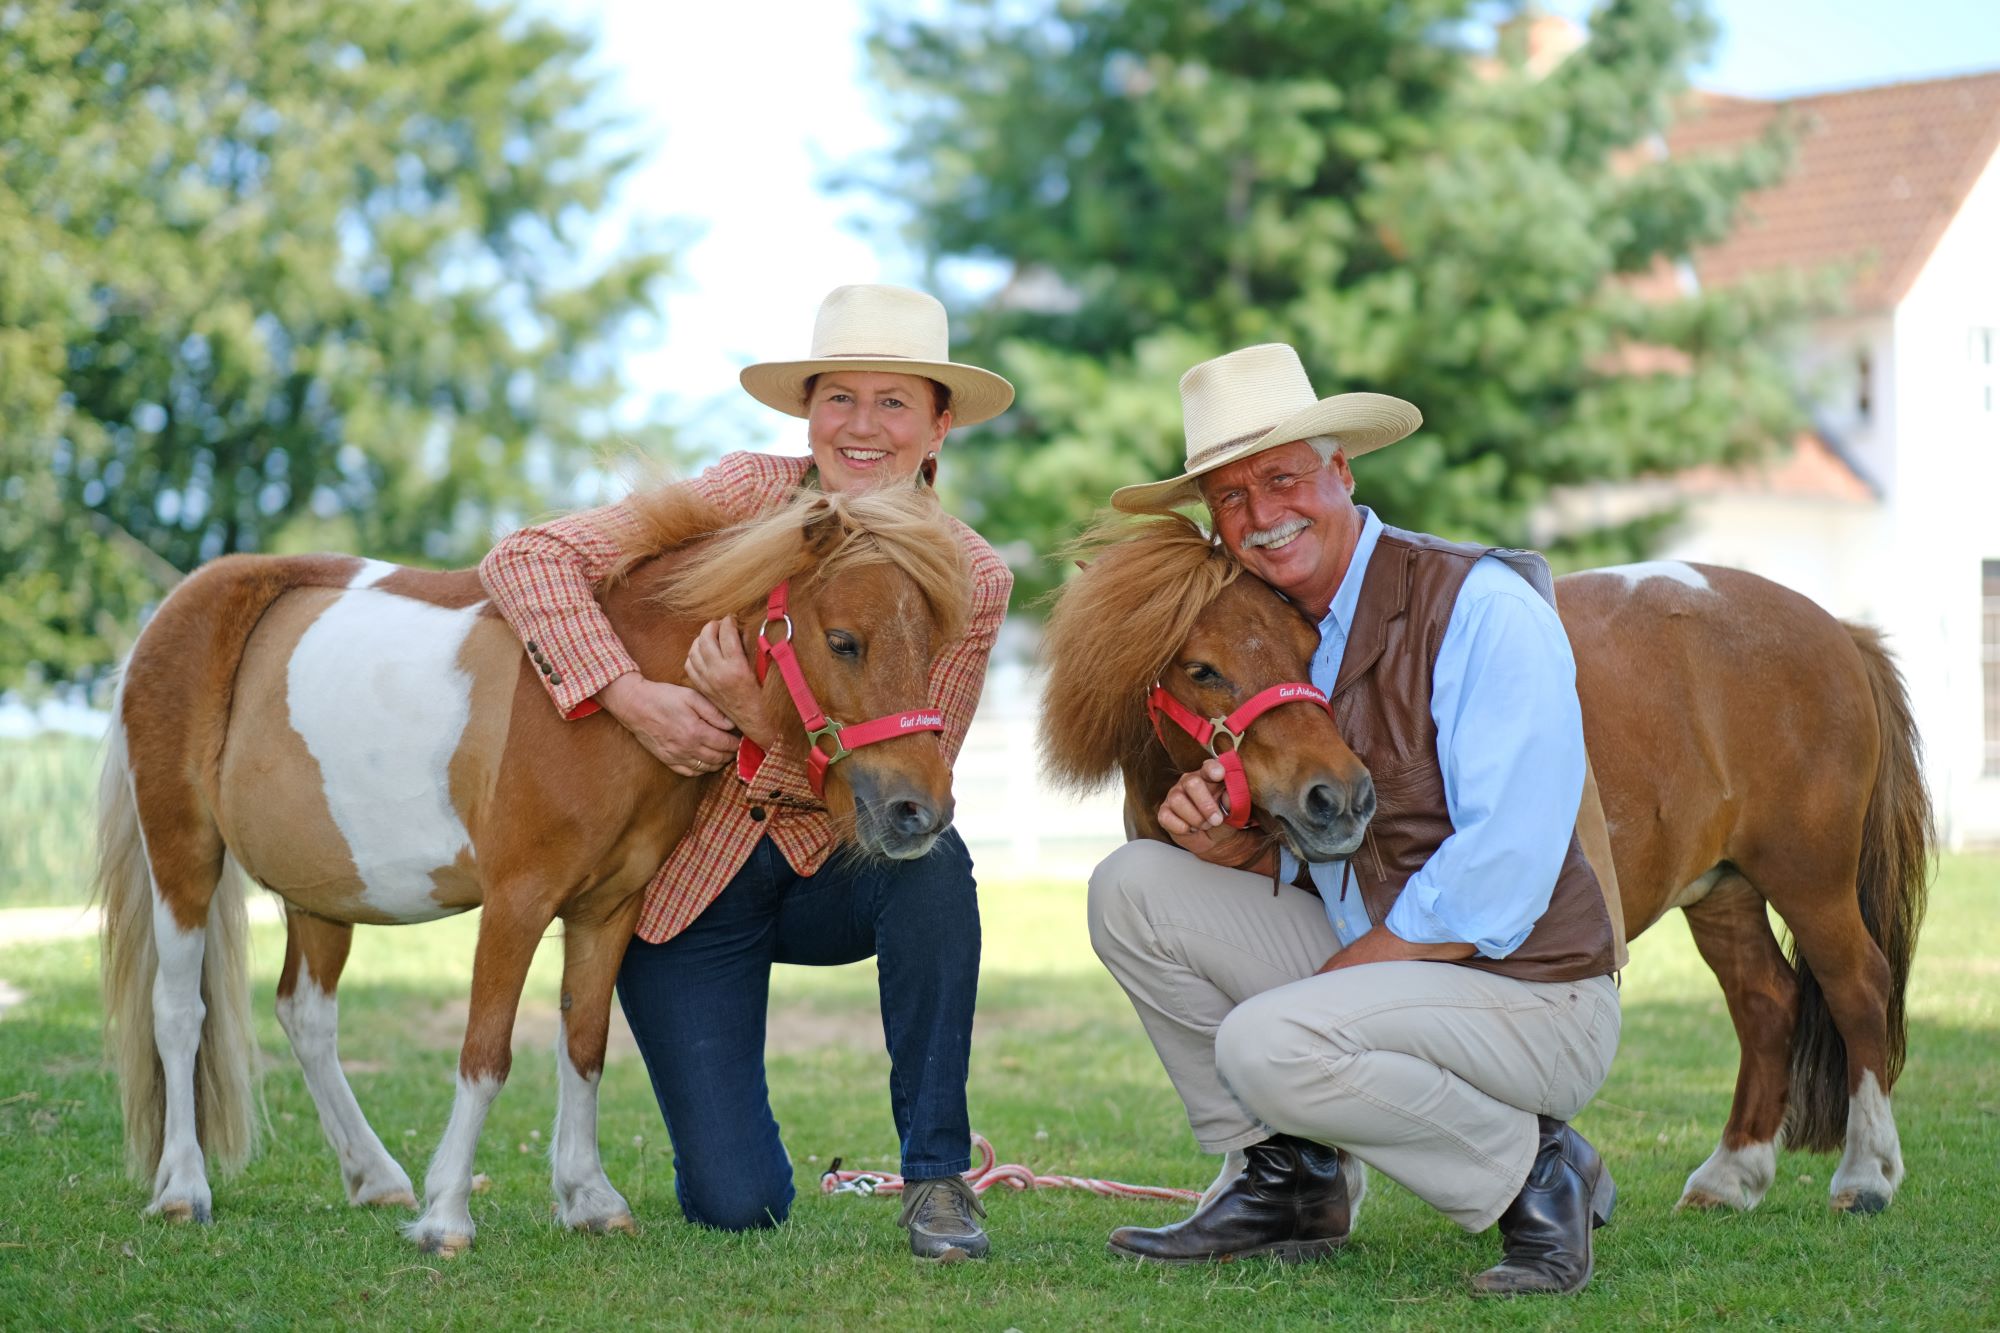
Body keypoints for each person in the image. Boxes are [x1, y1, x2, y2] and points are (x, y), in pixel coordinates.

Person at [478, 284, 1014, 1260]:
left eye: (893, 402)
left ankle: (936, 1177)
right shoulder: (740, 495)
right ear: (805, 415)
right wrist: (626, 695)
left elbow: (906, 788)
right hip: (689, 884)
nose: (861, 426)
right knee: (736, 1202)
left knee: (933, 865)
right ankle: (743, 1160)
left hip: (839, 865)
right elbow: (527, 559)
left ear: (938, 428)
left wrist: (753, 718)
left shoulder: (971, 578)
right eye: (837, 397)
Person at [1086, 343, 1622, 1295]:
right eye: (1231, 497)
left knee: (1265, 1041)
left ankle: (1539, 1173)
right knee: (1132, 888)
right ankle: (1290, 1178)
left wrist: (1327, 986)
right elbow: (1347, 860)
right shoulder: (1276, 631)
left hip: (1534, 994)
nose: (1261, 515)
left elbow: (1503, 869)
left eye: (1284, 477)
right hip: (1390, 960)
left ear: (1342, 470)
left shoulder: (1477, 606)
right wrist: (1235, 852)